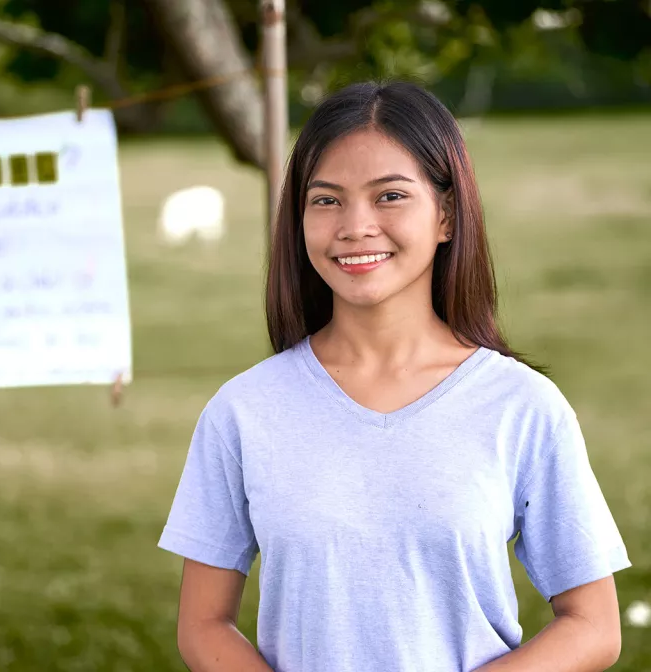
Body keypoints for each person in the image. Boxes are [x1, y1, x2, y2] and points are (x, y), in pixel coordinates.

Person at [156, 80, 632, 672]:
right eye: (326, 200)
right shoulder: (244, 410)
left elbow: (594, 626)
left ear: (447, 216)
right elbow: (202, 624)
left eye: (390, 196)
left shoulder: (523, 406)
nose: (355, 226)